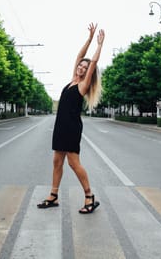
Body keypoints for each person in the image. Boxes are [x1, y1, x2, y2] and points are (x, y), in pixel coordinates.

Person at [37, 23, 105, 214]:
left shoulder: (82, 86)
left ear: (87, 73)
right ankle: (53, 195)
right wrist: (89, 39)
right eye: (80, 66)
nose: (81, 68)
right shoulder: (71, 82)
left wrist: (99, 45)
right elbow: (79, 56)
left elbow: (93, 63)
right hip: (60, 126)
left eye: (84, 68)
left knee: (73, 163)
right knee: (56, 162)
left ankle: (90, 197)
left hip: (72, 127)